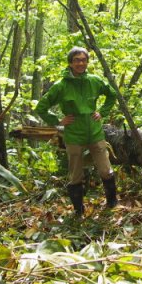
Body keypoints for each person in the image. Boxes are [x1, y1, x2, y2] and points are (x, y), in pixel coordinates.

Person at [35, 47, 118, 216]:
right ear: (70, 63)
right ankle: (78, 211)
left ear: (87, 62)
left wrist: (102, 112)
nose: (80, 63)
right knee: (75, 176)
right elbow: (41, 107)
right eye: (76, 60)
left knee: (106, 170)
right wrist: (58, 121)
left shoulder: (94, 80)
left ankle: (112, 204)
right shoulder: (61, 86)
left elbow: (112, 94)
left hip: (95, 132)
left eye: (83, 60)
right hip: (73, 134)